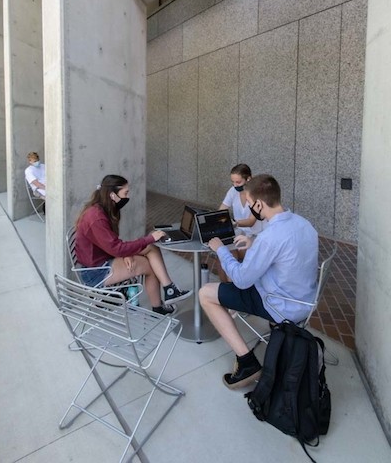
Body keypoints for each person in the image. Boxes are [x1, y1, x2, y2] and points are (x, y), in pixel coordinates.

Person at [199, 174, 318, 390]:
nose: (249, 208)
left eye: (249, 203)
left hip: (279, 305)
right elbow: (286, 255)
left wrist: (221, 250)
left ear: (259, 204)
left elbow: (242, 280)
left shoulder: (270, 236)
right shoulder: (304, 224)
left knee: (206, 293)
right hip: (305, 302)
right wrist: (254, 243)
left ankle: (246, 363)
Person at [75, 174, 192, 315]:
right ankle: (161, 304)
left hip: (102, 258)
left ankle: (169, 289)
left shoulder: (102, 209)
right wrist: (145, 241)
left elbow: (111, 243)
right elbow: (116, 248)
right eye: (125, 193)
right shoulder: (97, 217)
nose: (127, 196)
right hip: (95, 271)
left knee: (151, 247)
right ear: (113, 195)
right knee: (149, 265)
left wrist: (126, 253)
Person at [216, 163, 265, 281]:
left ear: (248, 179)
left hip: (256, 236)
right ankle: (226, 287)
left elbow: (251, 221)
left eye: (238, 182)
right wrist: (215, 219)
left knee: (230, 252)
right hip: (241, 233)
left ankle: (233, 289)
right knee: (223, 253)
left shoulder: (257, 194)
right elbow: (222, 210)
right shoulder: (233, 191)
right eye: (232, 182)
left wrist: (234, 223)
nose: (235, 185)